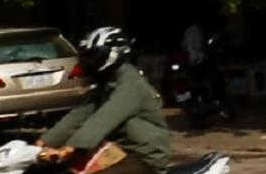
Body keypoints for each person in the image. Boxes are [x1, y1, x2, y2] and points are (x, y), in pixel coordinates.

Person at [38, 27, 172, 174]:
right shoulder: (105, 83)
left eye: (92, 55)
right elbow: (80, 114)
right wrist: (43, 143)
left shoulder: (131, 83)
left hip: (144, 157)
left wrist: (70, 147)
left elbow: (105, 118)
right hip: (117, 152)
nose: (88, 61)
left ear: (114, 53)